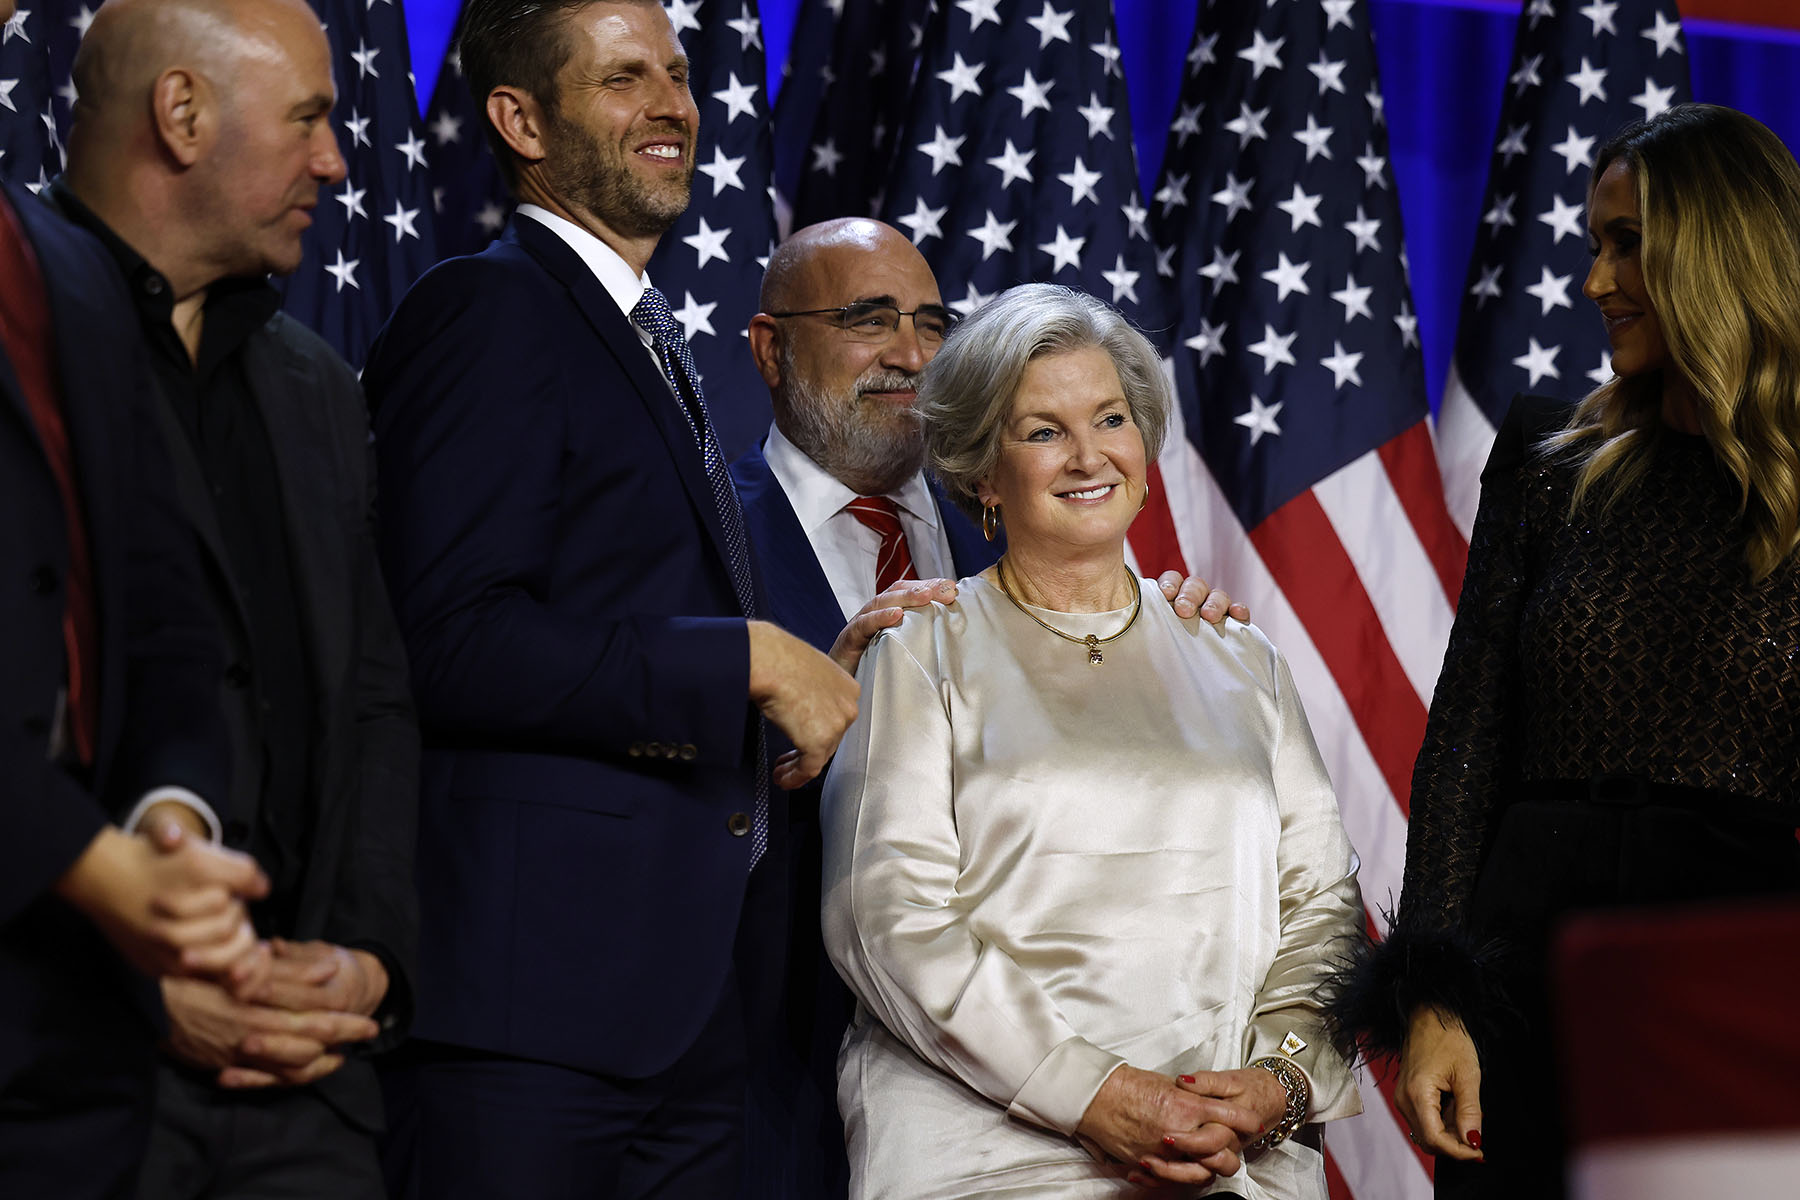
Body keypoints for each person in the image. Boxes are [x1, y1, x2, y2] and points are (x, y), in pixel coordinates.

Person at [362, 3, 897, 1195]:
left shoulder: (646, 342)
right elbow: (446, 641)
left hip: (685, 1018)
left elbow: (604, 622)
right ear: (520, 119)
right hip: (529, 1019)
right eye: (622, 79)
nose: (673, 103)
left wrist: (763, 722)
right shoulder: (489, 313)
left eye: (678, 72)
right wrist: (745, 660)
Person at [1328, 103, 1800, 1200]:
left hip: (1741, 973)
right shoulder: (1549, 463)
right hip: (1524, 973)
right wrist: (1436, 998)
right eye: (1597, 243)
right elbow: (1466, 748)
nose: (1596, 280)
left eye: (1627, 243)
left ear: (1722, 252)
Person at [732, 218, 1248, 1199]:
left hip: (1029, 1114)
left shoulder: (1031, 536)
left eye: (932, 320)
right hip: (763, 1083)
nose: (912, 353)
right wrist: (789, 732)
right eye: (866, 319)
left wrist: (1183, 644)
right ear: (770, 347)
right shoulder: (703, 531)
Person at [821, 283, 1364, 1199]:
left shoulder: (1241, 658)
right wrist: (1094, 1092)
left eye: (1110, 418)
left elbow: (1322, 907)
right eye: (1042, 431)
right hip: (990, 1161)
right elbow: (884, 923)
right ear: (981, 473)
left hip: (1233, 1157)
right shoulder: (918, 653)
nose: (1088, 456)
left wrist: (1281, 1080)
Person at [50, 1, 421, 1195]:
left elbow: (371, 698)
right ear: (182, 113)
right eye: (309, 117)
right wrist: (139, 977)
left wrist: (366, 959)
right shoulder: (24, 345)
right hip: (65, 1076)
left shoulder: (316, 386)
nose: (334, 158)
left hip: (310, 1087)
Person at [0, 160, 269, 1200]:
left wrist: (172, 818)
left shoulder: (65, 264)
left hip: (70, 1038)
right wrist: (84, 860)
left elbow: (161, 613)